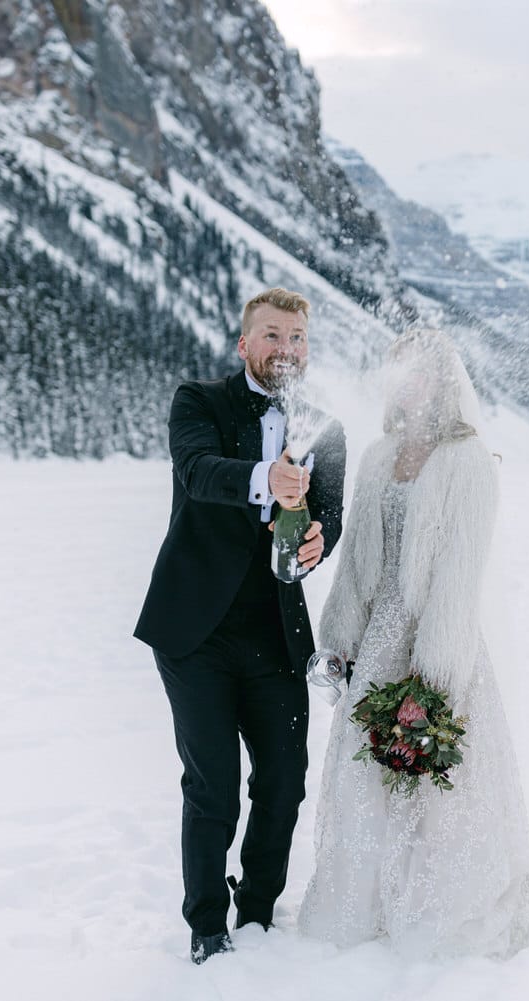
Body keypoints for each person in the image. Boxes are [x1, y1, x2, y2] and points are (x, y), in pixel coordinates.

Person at [298, 327, 529, 956]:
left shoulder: (469, 462)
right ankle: (367, 899)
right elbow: (355, 563)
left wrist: (433, 683)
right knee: (363, 769)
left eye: (420, 371)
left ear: (444, 381)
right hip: (379, 634)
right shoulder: (379, 455)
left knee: (435, 781)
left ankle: (436, 901)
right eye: (398, 370)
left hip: (437, 637)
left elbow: (459, 577)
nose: (408, 382)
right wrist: (342, 639)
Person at [134, 287, 346, 963]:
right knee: (214, 783)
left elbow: (330, 511)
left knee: (284, 779)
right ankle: (206, 924)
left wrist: (319, 539)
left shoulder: (325, 422)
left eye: (298, 339)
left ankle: (256, 908)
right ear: (245, 344)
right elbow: (198, 472)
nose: (287, 349)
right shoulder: (198, 400)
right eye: (274, 335)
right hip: (195, 631)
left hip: (276, 633)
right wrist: (265, 479)